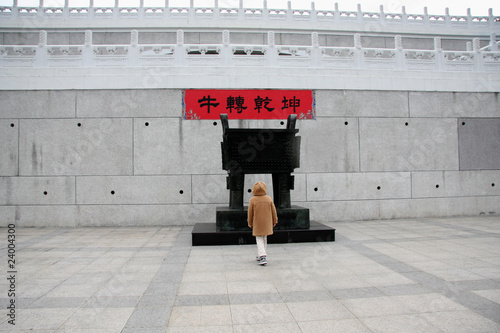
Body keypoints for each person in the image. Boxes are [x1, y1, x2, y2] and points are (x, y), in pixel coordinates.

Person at [247, 181, 278, 265]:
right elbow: (274, 211)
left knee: (259, 238)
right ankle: (262, 254)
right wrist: (275, 221)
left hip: (257, 223)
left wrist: (249, 222)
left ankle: (262, 256)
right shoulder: (269, 199)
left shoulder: (253, 200)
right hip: (267, 222)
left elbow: (250, 213)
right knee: (264, 238)